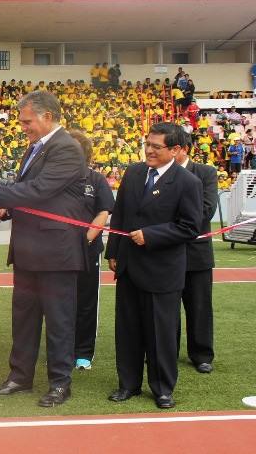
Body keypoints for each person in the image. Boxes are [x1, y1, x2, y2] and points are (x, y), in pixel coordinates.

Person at [0, 90, 87, 407]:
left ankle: (60, 384)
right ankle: (19, 377)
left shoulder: (66, 148)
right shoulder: (36, 147)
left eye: (27, 121)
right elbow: (34, 196)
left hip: (56, 252)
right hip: (29, 250)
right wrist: (7, 209)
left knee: (59, 322)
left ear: (46, 116)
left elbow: (39, 189)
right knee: (23, 318)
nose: (23, 127)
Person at [105, 122, 202, 410]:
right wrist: (113, 251)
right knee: (128, 330)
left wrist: (152, 235)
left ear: (175, 150)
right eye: (147, 144)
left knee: (160, 333)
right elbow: (120, 214)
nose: (149, 150)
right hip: (128, 267)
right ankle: (128, 384)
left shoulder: (187, 183)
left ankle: (162, 388)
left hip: (162, 271)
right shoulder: (134, 173)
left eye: (156, 146)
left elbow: (190, 227)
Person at [68, 130, 114, 370]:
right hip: (59, 252)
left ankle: (83, 352)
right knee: (60, 303)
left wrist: (86, 238)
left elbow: (104, 212)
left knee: (86, 301)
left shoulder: (96, 180)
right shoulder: (54, 178)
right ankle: (62, 349)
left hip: (87, 250)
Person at [176, 130, 217, 374]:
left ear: (182, 149)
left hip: (196, 253)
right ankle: (165, 351)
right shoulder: (153, 173)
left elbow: (205, 212)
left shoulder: (205, 173)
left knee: (199, 306)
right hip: (164, 254)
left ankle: (201, 354)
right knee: (165, 308)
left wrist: (168, 227)